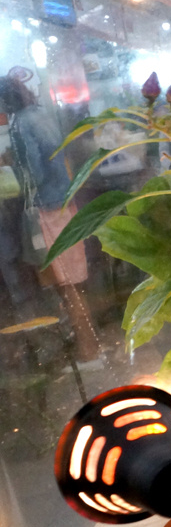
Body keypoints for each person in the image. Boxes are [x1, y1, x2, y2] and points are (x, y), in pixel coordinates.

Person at [0, 75, 100, 359]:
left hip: (46, 211)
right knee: (72, 282)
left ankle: (88, 352)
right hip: (65, 204)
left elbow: (35, 175)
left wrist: (12, 167)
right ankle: (87, 349)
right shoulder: (41, 113)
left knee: (64, 284)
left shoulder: (20, 124)